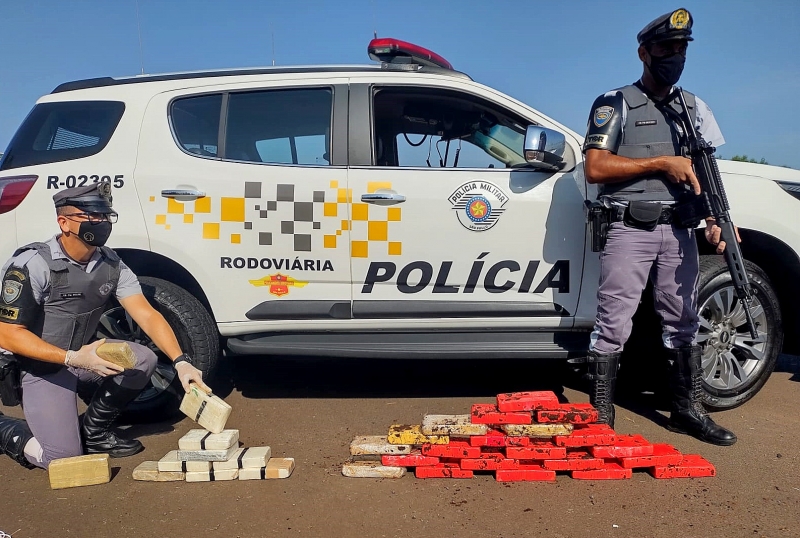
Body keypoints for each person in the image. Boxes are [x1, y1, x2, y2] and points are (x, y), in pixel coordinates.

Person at [581, 8, 737, 445]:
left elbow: (707, 169)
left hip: (679, 229)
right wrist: (661, 163)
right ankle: (600, 419)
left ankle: (686, 410)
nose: (675, 56)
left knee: (684, 320)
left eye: (681, 49)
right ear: (644, 53)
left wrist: (718, 218)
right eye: (667, 48)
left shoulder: (694, 108)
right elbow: (595, 167)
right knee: (613, 323)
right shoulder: (614, 102)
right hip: (630, 226)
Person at [0, 183, 211, 469]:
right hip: (38, 366)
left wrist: (181, 362)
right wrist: (72, 358)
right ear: (64, 222)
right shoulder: (33, 264)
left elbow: (146, 315)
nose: (100, 222)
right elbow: (8, 334)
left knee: (142, 359)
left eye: (104, 215)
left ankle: (94, 432)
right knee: (63, 459)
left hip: (81, 356)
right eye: (90, 216)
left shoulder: (111, 264)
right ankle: (6, 428)